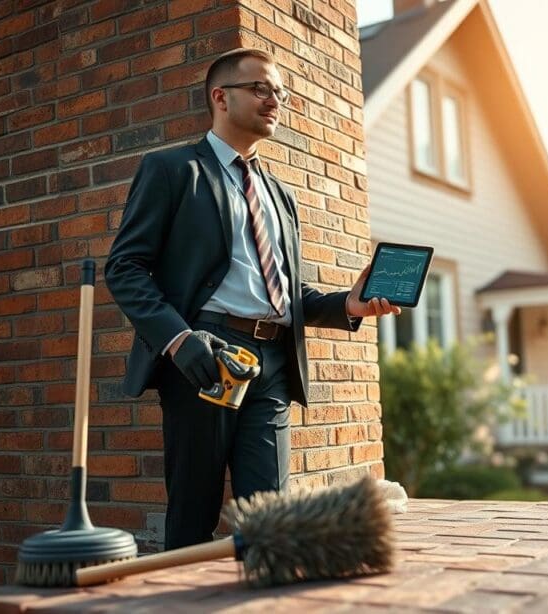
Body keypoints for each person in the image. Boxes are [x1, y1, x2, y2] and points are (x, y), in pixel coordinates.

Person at [105, 48, 399, 550]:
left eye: (280, 92)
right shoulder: (173, 170)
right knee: (193, 522)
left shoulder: (279, 194)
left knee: (269, 523)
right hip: (206, 355)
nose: (275, 100)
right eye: (261, 88)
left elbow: (287, 292)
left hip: (274, 363)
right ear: (221, 97)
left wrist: (349, 303)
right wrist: (178, 340)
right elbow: (125, 267)